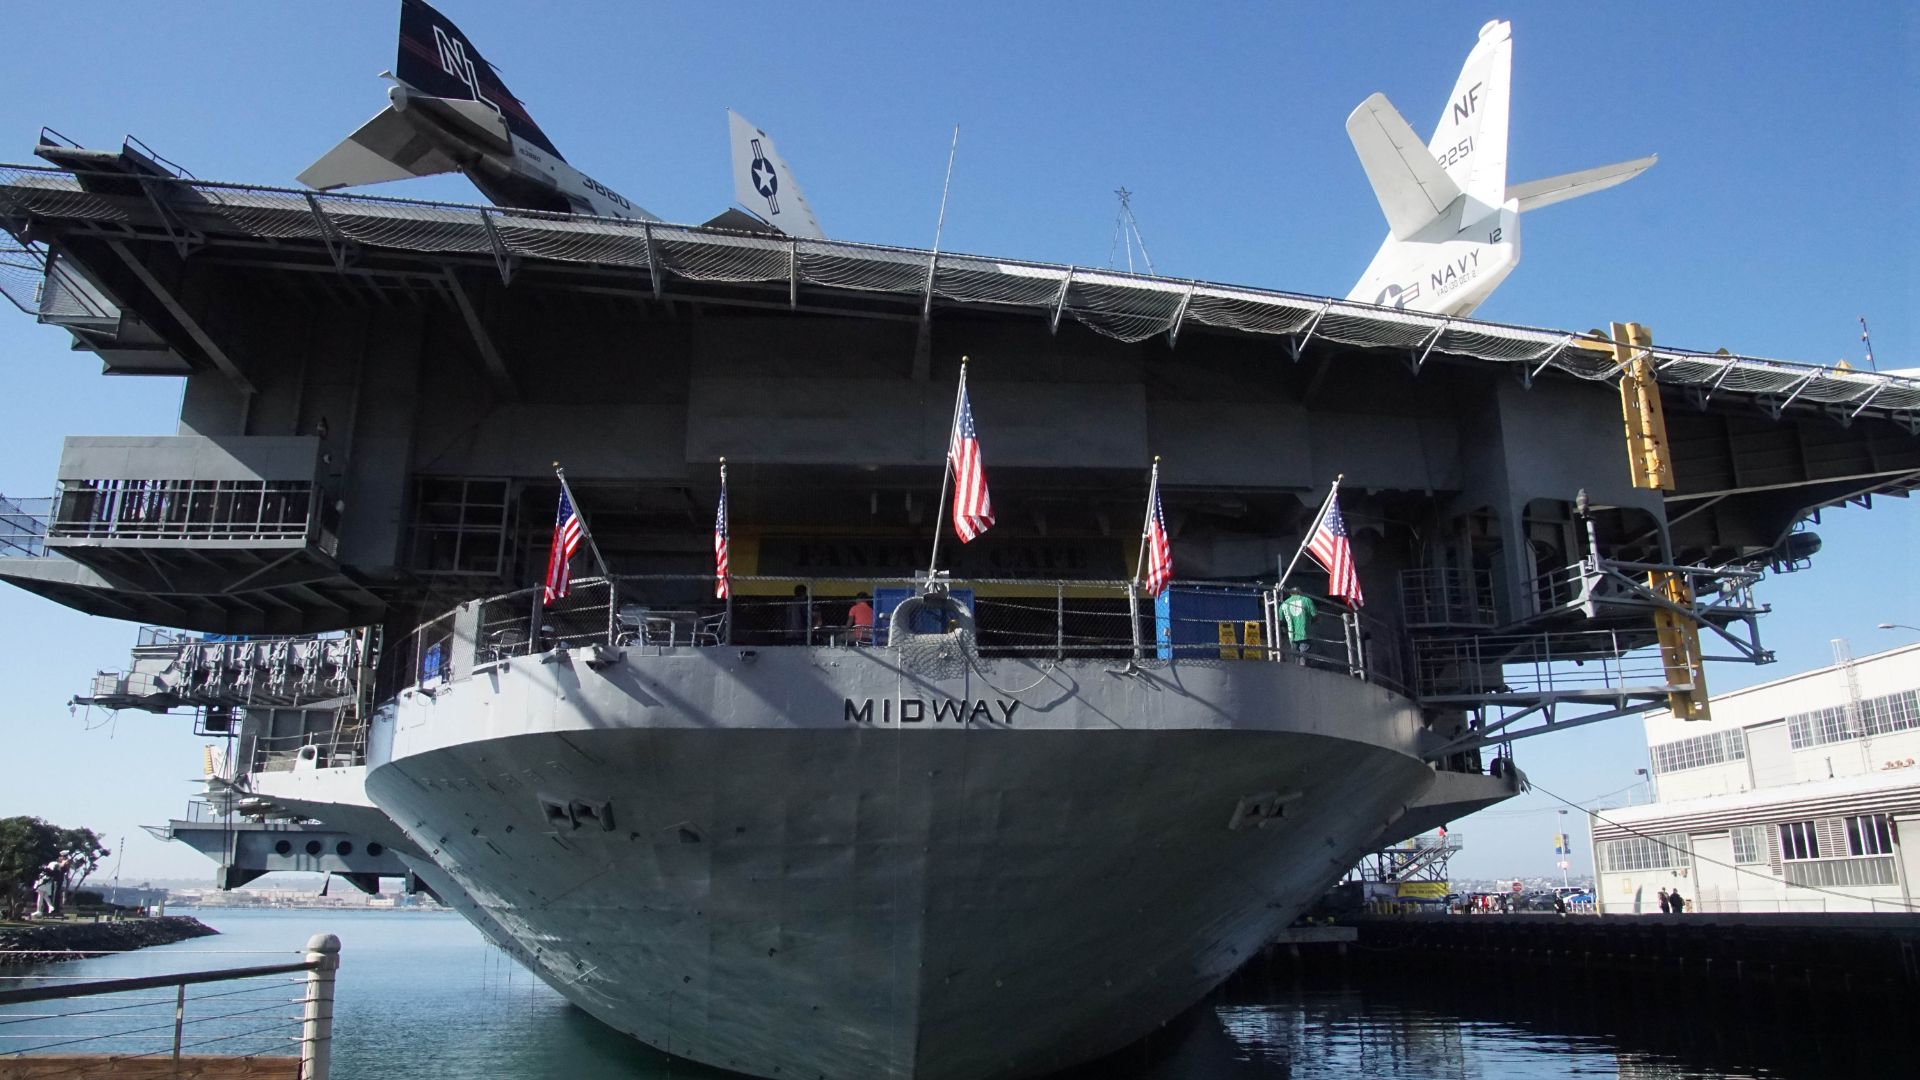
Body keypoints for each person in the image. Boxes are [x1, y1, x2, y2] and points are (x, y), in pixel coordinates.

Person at [1278, 588, 1317, 663]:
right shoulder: (1307, 600)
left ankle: (1297, 670)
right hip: (1305, 633)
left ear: (1290, 594)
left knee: (1296, 657)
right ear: (1300, 592)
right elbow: (1315, 616)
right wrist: (1310, 622)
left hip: (1291, 635)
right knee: (1304, 655)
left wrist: (1284, 631)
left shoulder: (1284, 604)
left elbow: (1281, 621)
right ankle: (1303, 671)